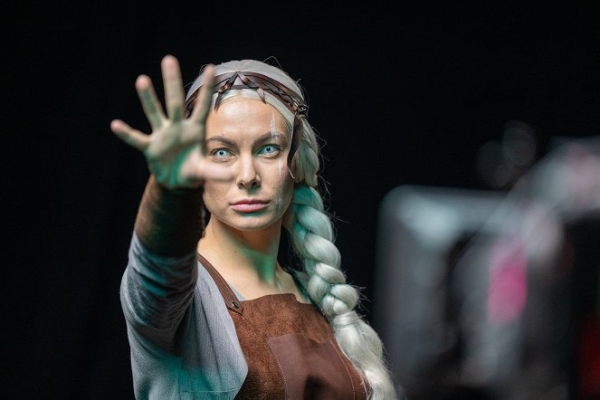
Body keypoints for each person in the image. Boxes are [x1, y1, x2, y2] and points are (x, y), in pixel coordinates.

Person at [111, 54, 398, 399]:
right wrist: (170, 191)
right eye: (221, 152)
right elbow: (156, 271)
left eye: (268, 149)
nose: (247, 176)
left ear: (296, 161)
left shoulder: (317, 296)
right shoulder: (182, 297)